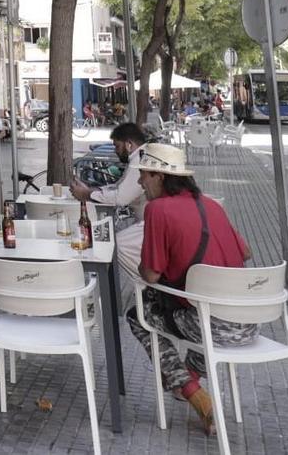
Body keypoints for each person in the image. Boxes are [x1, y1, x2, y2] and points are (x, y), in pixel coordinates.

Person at [125, 143, 256, 435]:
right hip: (248, 323)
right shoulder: (211, 204)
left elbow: (151, 273)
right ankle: (188, 374)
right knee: (200, 313)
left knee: (138, 315)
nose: (140, 182)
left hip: (211, 327)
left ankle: (194, 393)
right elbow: (245, 252)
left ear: (159, 176)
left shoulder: (157, 210)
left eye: (144, 175)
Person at [69, 122, 148, 310]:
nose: (115, 151)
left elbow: (121, 197)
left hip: (152, 221)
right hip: (148, 220)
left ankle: (148, 284)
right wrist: (92, 190)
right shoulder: (140, 157)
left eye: (117, 146)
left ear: (129, 144)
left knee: (114, 246)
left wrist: (87, 194)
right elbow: (120, 188)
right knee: (118, 245)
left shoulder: (139, 161)